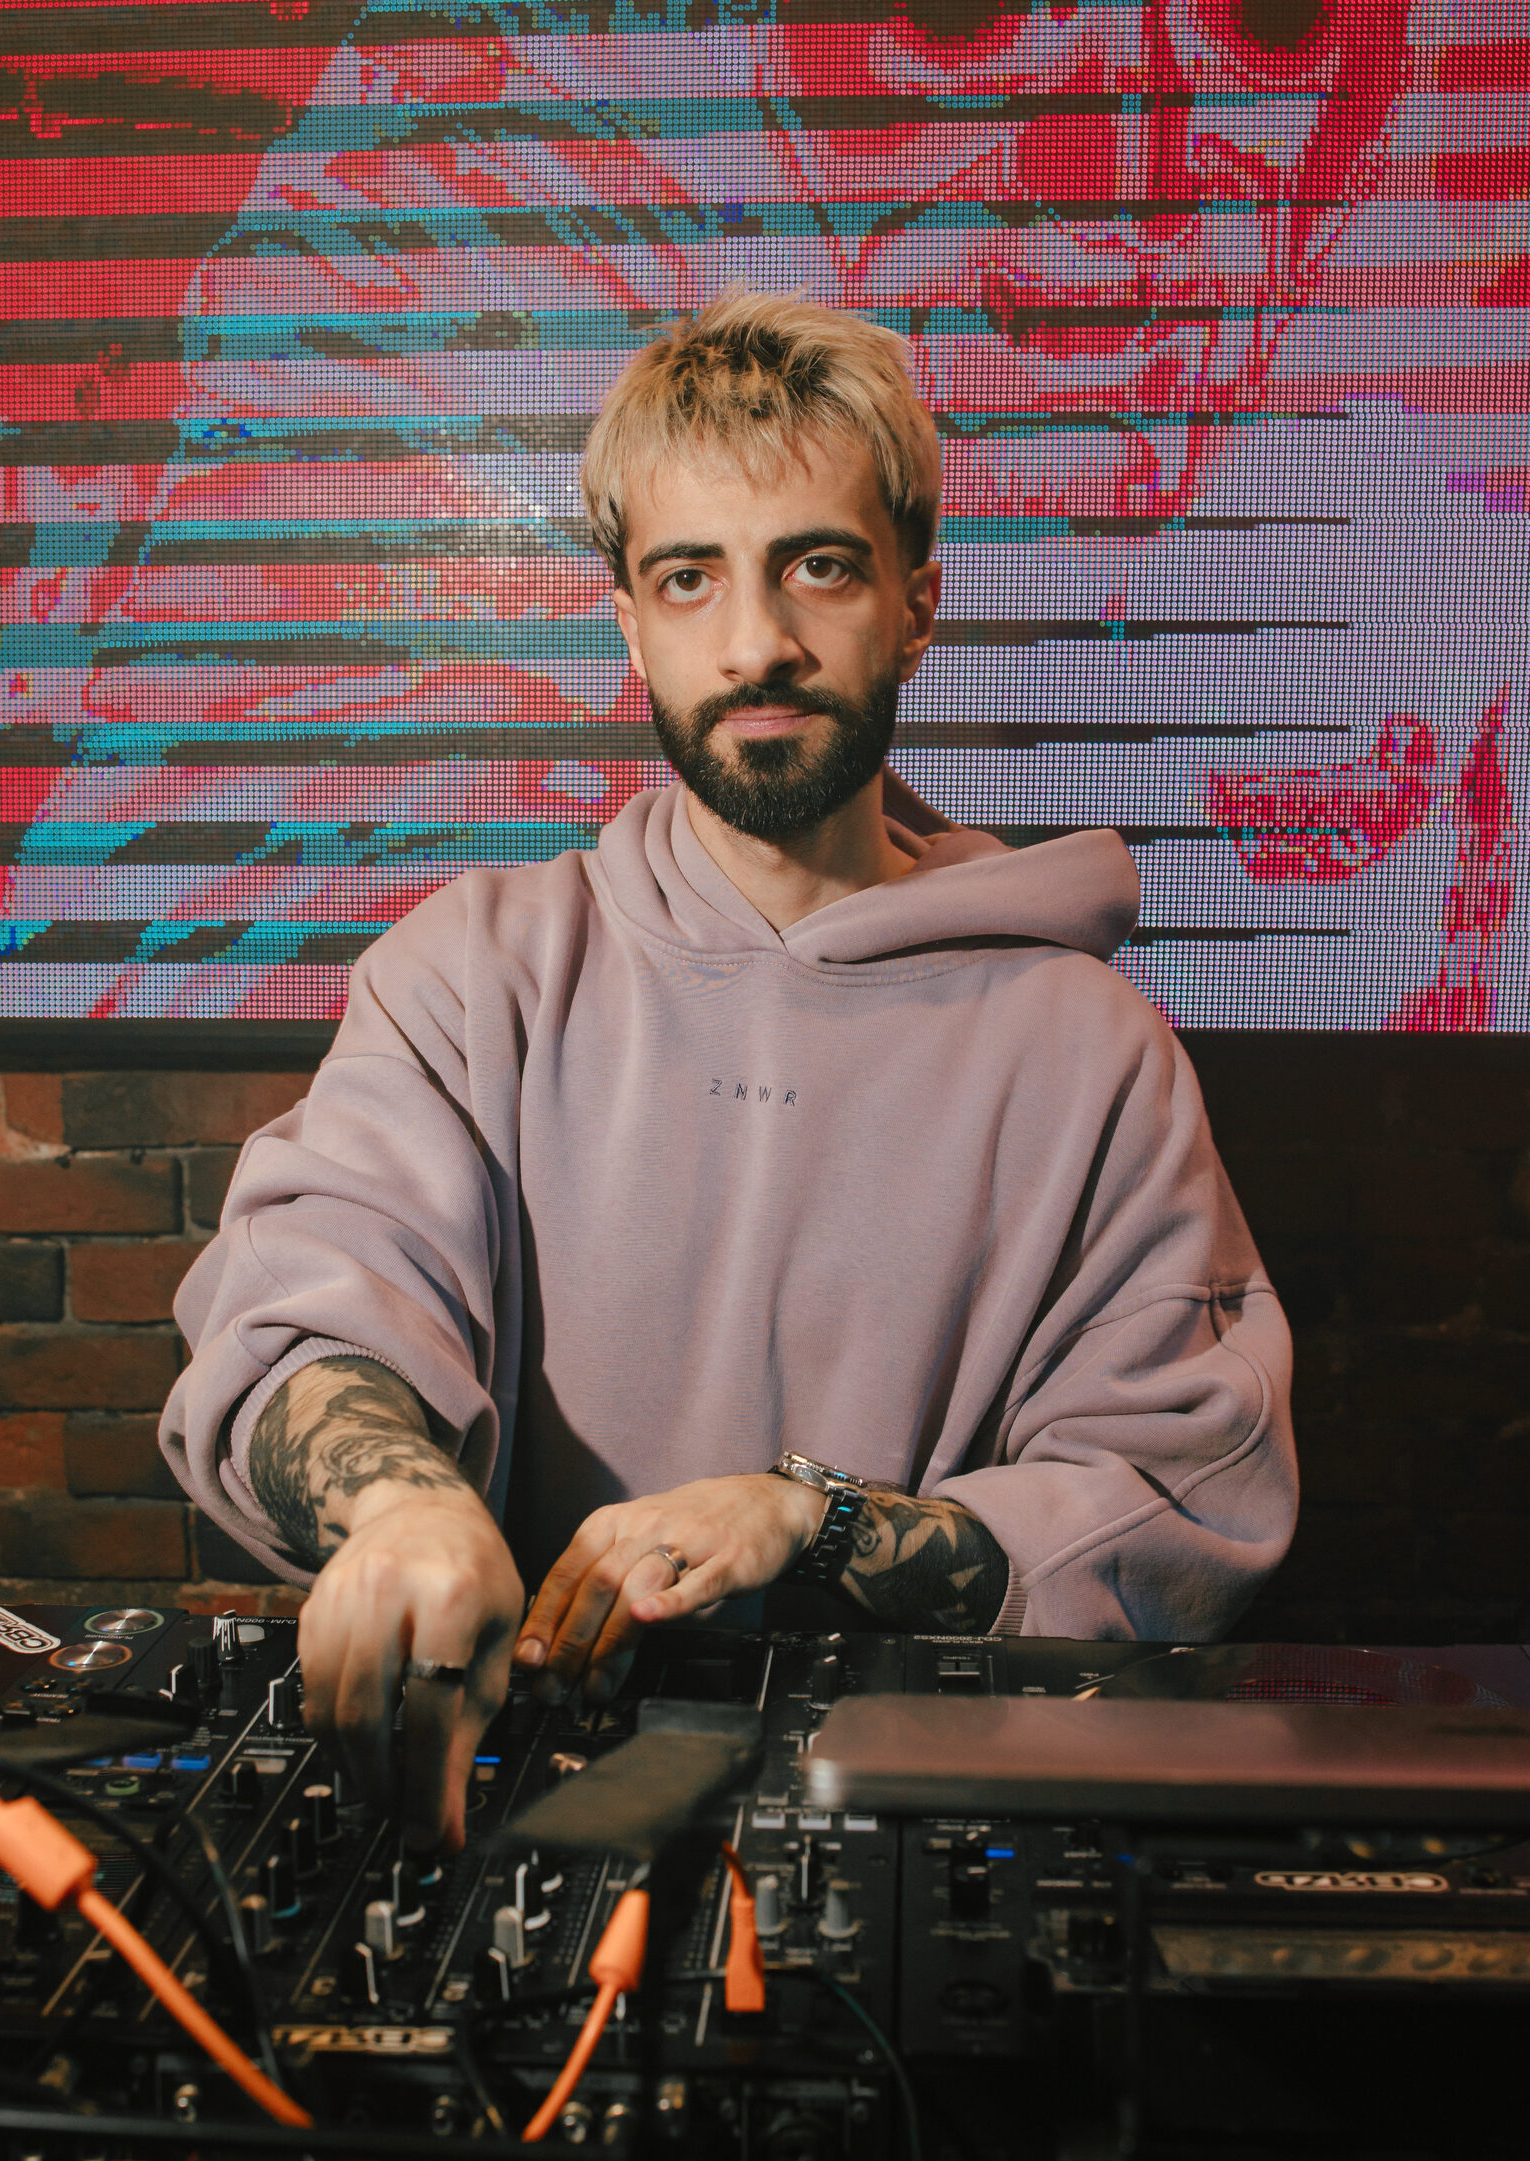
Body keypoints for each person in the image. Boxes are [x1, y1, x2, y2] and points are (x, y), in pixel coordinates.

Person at [161, 291, 1297, 1853]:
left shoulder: (1093, 1051)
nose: (756, 644)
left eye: (818, 566)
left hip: (912, 1814)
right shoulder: (470, 974)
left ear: (917, 605)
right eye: (689, 578)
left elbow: (1176, 1504)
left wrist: (806, 1522)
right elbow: (298, 1319)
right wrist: (401, 1500)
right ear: (629, 622)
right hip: (512, 1801)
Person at [0, 0, 1530, 1027]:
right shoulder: (467, 199)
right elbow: (165, 968)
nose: (1113, 160)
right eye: (959, 22)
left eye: (1270, 27)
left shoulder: (1452, 596)